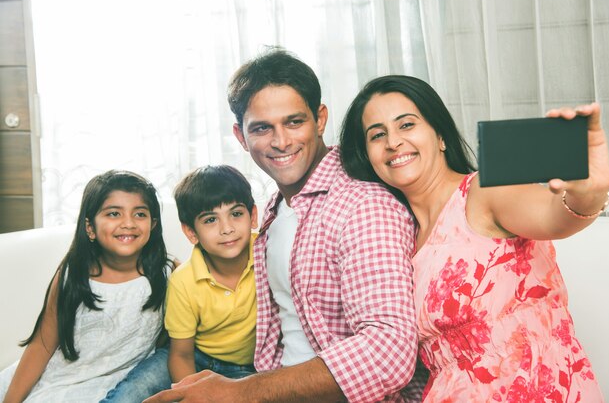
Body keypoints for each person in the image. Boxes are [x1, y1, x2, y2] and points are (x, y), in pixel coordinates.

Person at [146, 50, 425, 402]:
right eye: (262, 128)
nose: (281, 142)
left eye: (294, 122)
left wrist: (242, 392)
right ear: (240, 136)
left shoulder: (362, 204)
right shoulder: (276, 209)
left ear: (320, 119)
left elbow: (387, 353)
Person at [339, 75, 609, 402]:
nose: (393, 142)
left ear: (440, 136)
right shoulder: (396, 239)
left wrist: (589, 194)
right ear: (367, 156)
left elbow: (556, 217)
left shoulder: (484, 191)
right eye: (377, 134)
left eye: (406, 125)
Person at [0, 170, 172, 402]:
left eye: (139, 214)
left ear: (152, 224)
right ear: (90, 228)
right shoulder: (74, 273)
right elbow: (42, 344)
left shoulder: (168, 274)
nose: (128, 223)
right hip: (60, 376)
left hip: (115, 385)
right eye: (114, 213)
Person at [166, 165, 258, 381]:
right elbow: (181, 355)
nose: (226, 228)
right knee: (134, 390)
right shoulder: (183, 280)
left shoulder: (268, 252)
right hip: (196, 357)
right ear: (191, 232)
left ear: (252, 216)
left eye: (236, 214)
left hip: (246, 367)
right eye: (210, 219)